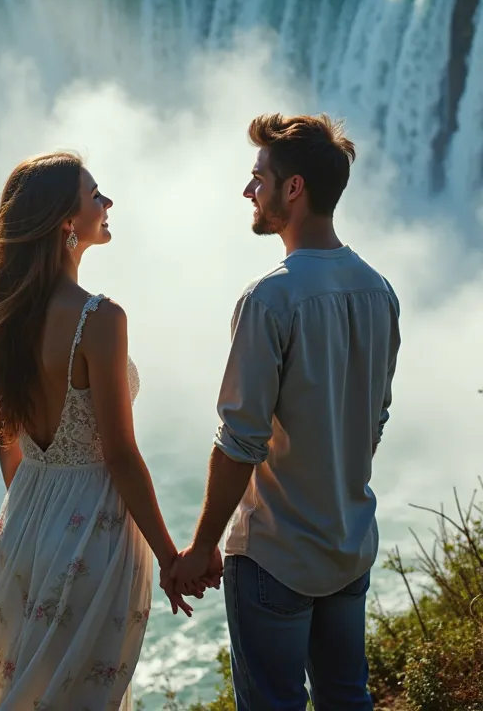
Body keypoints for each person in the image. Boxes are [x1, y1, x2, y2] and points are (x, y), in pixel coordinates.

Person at [0, 152, 196, 711]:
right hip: (92, 532)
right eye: (95, 195)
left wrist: (35, 517)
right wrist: (170, 559)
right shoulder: (99, 318)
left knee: (19, 685)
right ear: (66, 223)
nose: (108, 203)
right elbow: (121, 456)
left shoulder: (5, 312)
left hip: (26, 521)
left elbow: (9, 441)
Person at [170, 113, 401, 711]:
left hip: (276, 554)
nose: (249, 190)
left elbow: (241, 441)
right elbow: (373, 418)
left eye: (258, 178)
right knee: (348, 697)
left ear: (292, 188)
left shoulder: (270, 298)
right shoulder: (380, 291)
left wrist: (201, 549)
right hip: (348, 543)